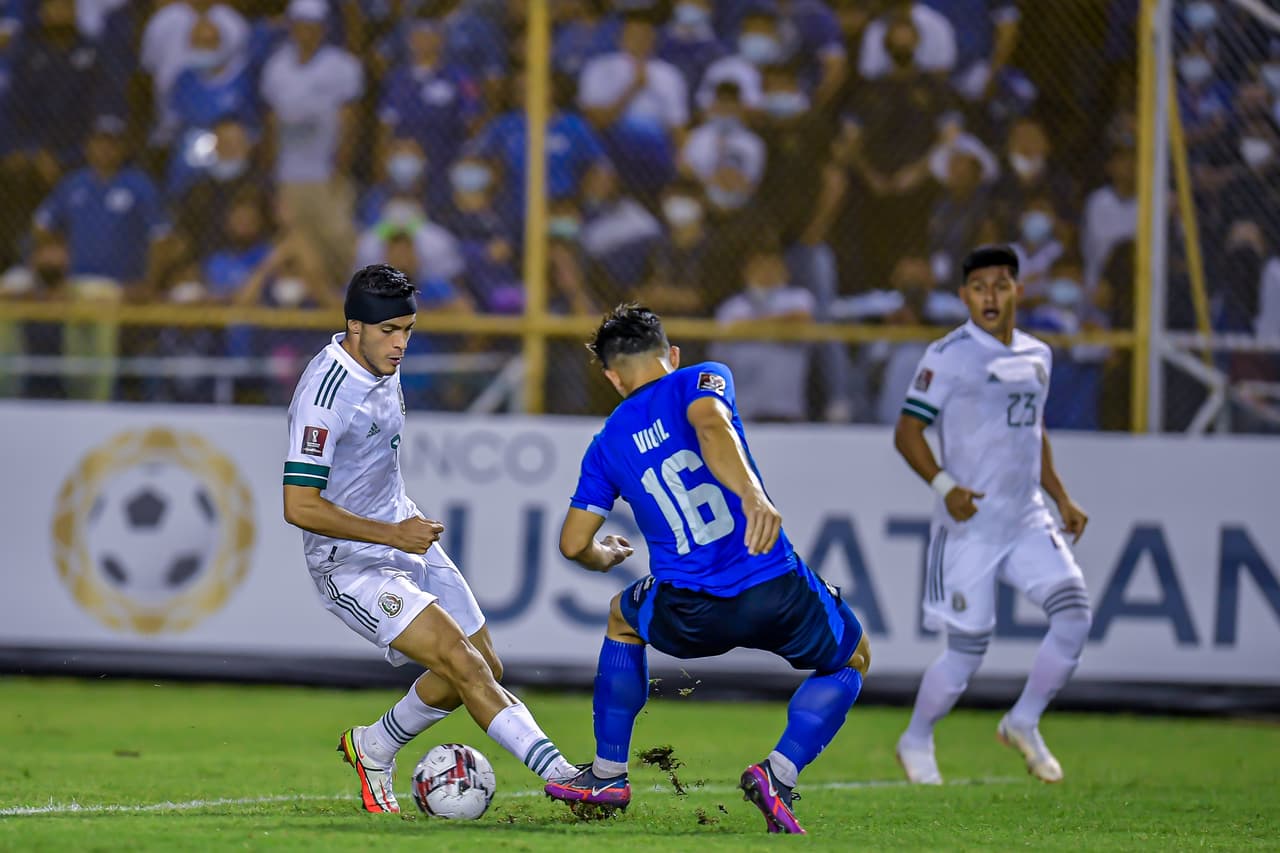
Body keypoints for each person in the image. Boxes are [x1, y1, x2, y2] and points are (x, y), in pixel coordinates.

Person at [545, 304, 870, 835]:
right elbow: (712, 425)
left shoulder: (605, 444)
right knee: (852, 657)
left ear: (611, 376)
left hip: (690, 609)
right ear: (670, 355)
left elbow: (573, 542)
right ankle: (779, 773)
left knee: (621, 618)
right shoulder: (703, 378)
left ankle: (607, 775)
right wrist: (754, 496)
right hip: (773, 586)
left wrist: (604, 556)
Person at [282, 264, 576, 813]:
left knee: (484, 664)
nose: (400, 345)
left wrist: (399, 530)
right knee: (463, 664)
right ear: (354, 328)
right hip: (349, 563)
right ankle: (563, 776)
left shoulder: (380, 364)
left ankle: (374, 745)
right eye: (390, 331)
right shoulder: (324, 398)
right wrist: (392, 533)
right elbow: (298, 506)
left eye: (408, 331)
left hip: (401, 533)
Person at [892, 244, 1092, 785]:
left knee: (1074, 615)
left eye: (1001, 285)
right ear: (963, 296)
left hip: (1026, 517)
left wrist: (1060, 496)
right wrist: (944, 484)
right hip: (969, 524)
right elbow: (907, 431)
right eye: (979, 287)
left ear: (1017, 292)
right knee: (965, 655)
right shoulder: (948, 354)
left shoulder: (1038, 355)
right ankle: (915, 739)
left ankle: (1023, 721)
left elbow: (1033, 431)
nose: (990, 296)